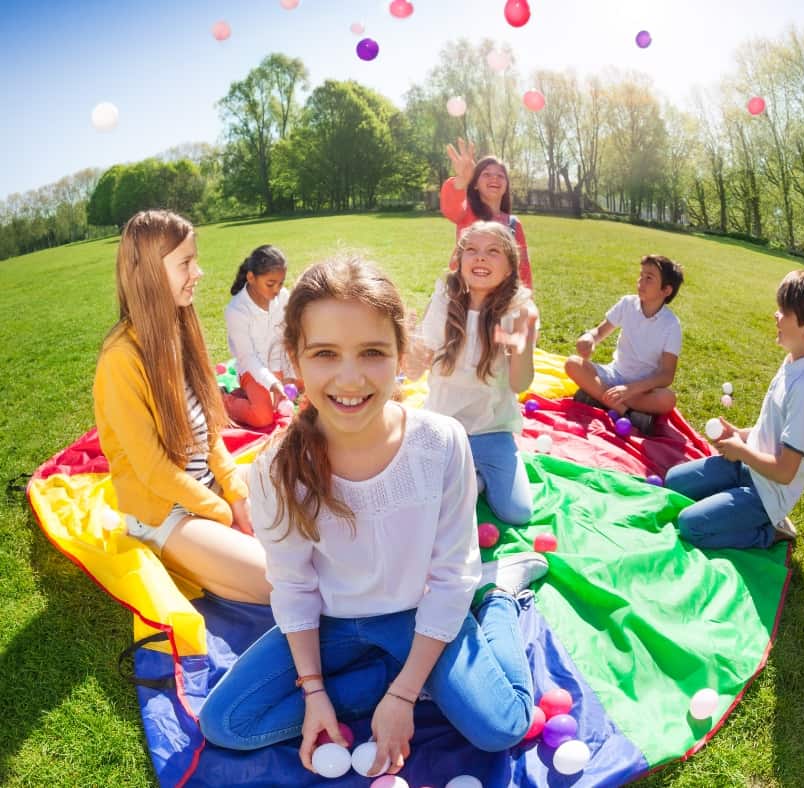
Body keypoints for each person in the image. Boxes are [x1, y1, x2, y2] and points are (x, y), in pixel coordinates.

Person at [198, 256, 548, 777]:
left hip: (421, 613)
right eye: (324, 354)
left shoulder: (441, 442)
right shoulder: (275, 470)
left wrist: (404, 697)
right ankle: (392, 676)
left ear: (402, 355)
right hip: (333, 624)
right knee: (227, 724)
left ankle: (498, 596)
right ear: (294, 358)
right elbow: (293, 587)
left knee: (504, 726)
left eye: (372, 352)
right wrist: (314, 694)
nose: (349, 377)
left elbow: (452, 576)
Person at [92, 210, 270, 604]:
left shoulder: (180, 329)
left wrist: (235, 493)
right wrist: (222, 513)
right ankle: (189, 559)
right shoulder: (121, 359)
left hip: (206, 491)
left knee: (300, 502)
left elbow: (209, 430)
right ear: (150, 274)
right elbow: (153, 470)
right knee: (279, 580)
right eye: (186, 263)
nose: (199, 272)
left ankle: (216, 566)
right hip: (166, 512)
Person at [664, 270, 804, 549]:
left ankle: (771, 532)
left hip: (766, 494)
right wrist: (739, 434)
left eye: (784, 311)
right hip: (747, 466)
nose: (776, 315)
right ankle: (731, 500)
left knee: (691, 526)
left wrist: (741, 451)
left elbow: (785, 472)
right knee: (673, 482)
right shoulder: (792, 361)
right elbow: (770, 430)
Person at [406, 221, 539, 525]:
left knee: (517, 513)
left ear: (509, 268)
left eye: (493, 251)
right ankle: (470, 481)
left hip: (491, 432)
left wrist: (523, 340)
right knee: (419, 503)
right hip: (442, 429)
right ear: (460, 260)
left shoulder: (514, 312)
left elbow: (519, 383)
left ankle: (473, 477)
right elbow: (415, 370)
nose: (480, 257)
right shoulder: (445, 300)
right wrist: (409, 349)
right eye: (472, 250)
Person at [564, 254, 685, 435]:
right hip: (613, 375)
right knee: (572, 363)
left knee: (668, 399)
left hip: (642, 389)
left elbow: (667, 375)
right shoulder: (627, 303)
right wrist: (589, 338)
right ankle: (627, 413)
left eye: (649, 278)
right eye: (641, 275)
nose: (640, 281)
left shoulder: (671, 325)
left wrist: (630, 390)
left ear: (666, 290)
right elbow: (600, 332)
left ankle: (597, 397)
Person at [223, 244, 299, 428]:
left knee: (312, 382)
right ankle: (223, 399)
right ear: (251, 278)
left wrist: (287, 375)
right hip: (251, 370)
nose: (276, 290)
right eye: (270, 284)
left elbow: (289, 337)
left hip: (277, 365)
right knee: (263, 417)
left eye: (280, 283)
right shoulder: (236, 310)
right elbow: (248, 358)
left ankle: (246, 394)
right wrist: (273, 383)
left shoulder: (282, 298)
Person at [441, 137, 533, 289]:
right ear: (475, 184)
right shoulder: (466, 213)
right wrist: (461, 180)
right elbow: (450, 207)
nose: (494, 179)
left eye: (500, 175)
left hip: (499, 300)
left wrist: (527, 300)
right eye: (486, 174)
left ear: (506, 186)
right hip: (464, 295)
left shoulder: (514, 224)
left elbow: (523, 268)